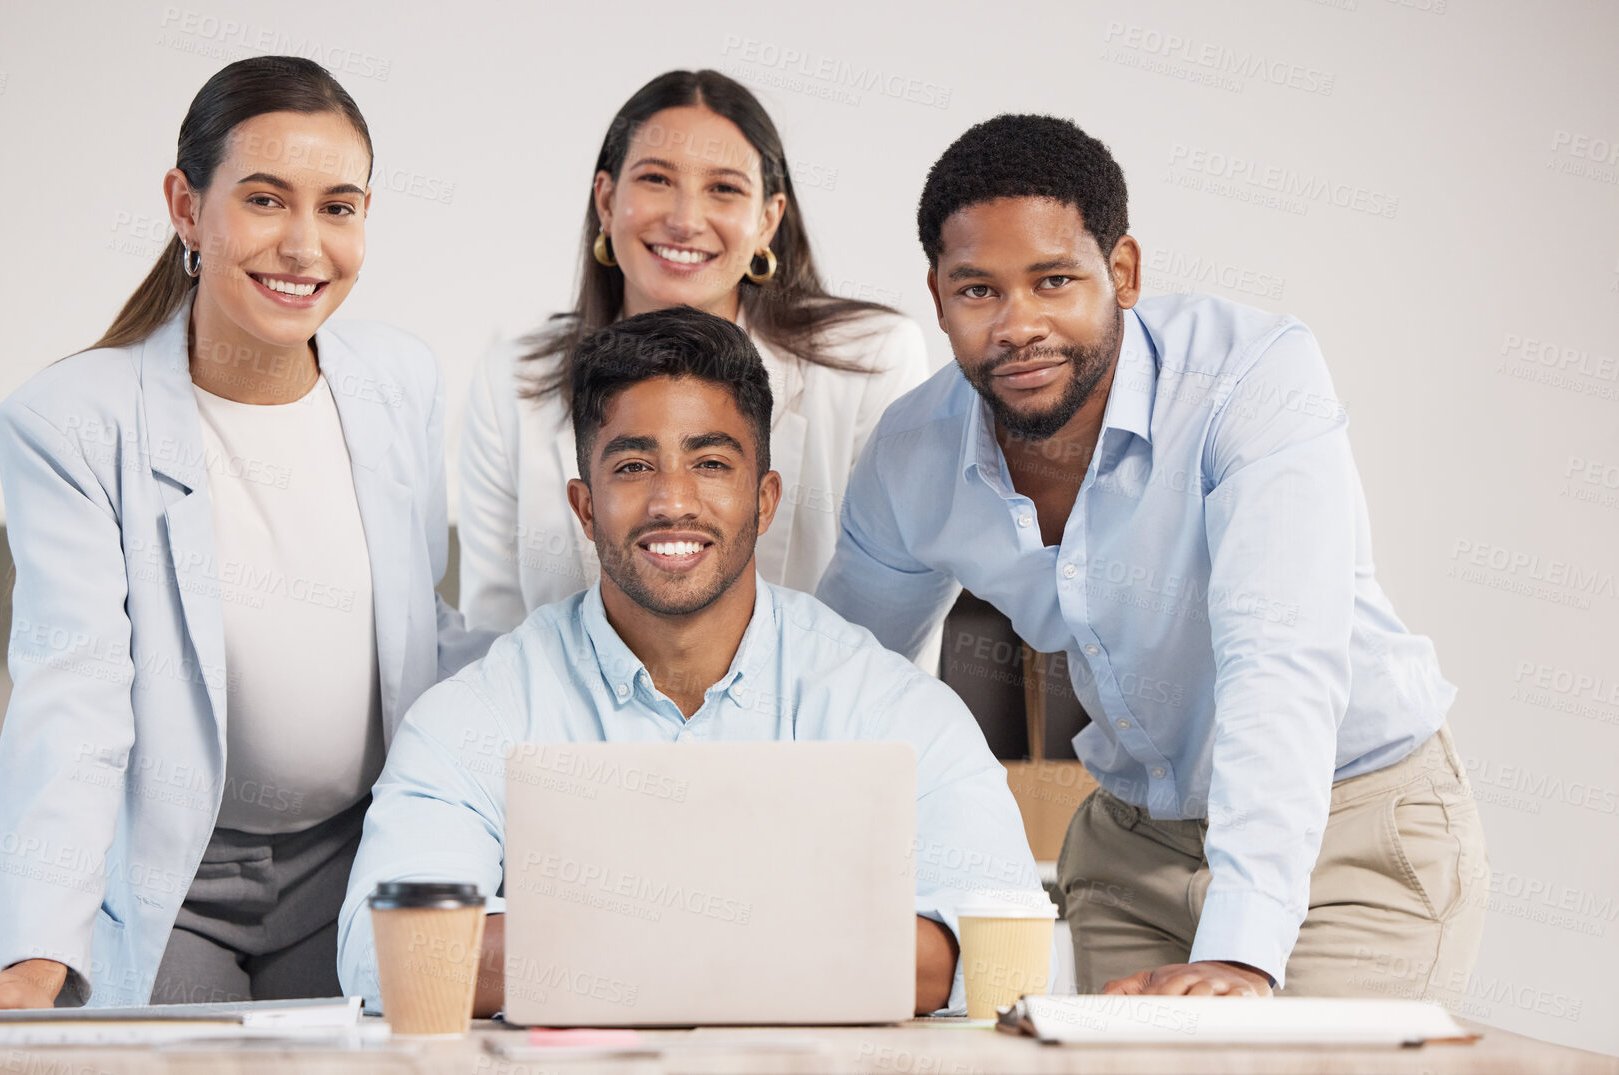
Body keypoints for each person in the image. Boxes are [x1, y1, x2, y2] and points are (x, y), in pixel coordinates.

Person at [816, 115, 1487, 1001]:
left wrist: (1242, 948)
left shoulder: (1252, 380)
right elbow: (834, 678)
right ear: (938, 297)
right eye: (979, 291)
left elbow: (1275, 661)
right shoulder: (913, 455)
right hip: (1134, 850)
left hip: (1348, 830)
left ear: (1122, 272)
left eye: (1054, 281)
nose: (1019, 326)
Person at [0, 56, 489, 1019]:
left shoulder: (400, 379)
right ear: (186, 208)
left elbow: (415, 627)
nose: (305, 245)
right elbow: (74, 696)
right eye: (266, 200)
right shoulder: (69, 421)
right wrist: (34, 956)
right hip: (181, 874)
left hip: (359, 858)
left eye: (340, 207)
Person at [337, 307, 1040, 1016]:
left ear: (764, 500)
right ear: (585, 507)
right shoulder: (478, 710)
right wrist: (769, 936)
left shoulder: (889, 705)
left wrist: (619, 939)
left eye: (710, 463)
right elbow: (393, 954)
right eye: (635, 465)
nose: (672, 501)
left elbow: (996, 949)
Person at [458, 69, 931, 638]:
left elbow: (888, 643)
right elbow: (493, 637)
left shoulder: (874, 361)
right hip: (571, 726)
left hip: (815, 725)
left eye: (724, 188)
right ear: (606, 201)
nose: (685, 220)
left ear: (767, 220)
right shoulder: (511, 381)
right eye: (656, 179)